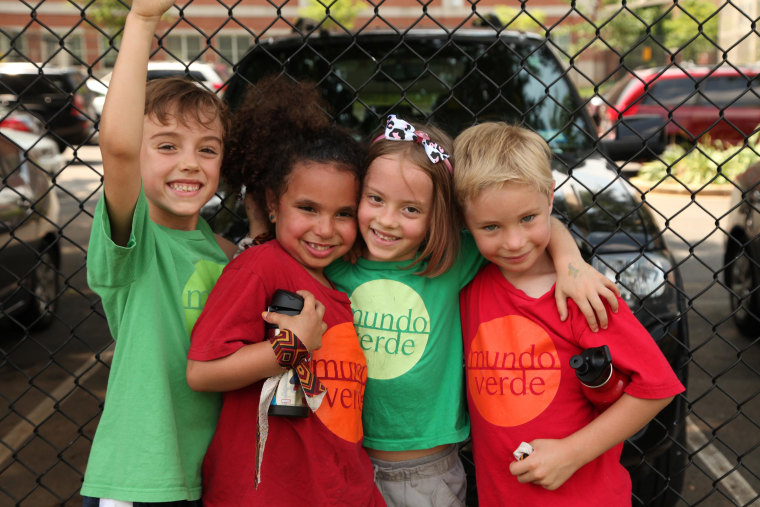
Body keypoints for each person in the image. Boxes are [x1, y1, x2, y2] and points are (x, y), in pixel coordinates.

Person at [324, 114, 621, 506]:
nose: (386, 220)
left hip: (426, 472)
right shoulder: (335, 261)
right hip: (342, 461)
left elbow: (525, 224)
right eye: (375, 199)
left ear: (438, 218)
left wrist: (571, 261)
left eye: (410, 210)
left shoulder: (449, 262)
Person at [454, 122, 685, 506]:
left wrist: (572, 453)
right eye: (491, 226)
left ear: (549, 199)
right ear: (464, 222)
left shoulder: (579, 294)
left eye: (527, 219)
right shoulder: (468, 283)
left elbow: (656, 387)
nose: (514, 242)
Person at [186, 76, 385, 506]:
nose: (325, 229)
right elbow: (202, 371)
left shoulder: (339, 289)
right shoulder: (260, 267)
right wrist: (287, 349)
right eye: (308, 209)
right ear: (274, 203)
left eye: (344, 213)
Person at [80, 1, 238, 505]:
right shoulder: (134, 238)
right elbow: (119, 148)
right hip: (140, 479)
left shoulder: (224, 254)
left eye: (207, 149)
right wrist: (142, 21)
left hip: (208, 474)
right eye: (167, 146)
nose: (189, 163)